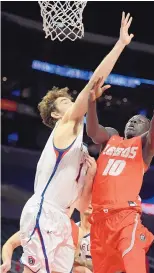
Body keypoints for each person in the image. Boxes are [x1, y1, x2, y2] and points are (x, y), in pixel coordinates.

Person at [18, 11, 134, 273]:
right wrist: (120, 45)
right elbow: (94, 80)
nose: (72, 103)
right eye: (65, 102)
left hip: (63, 218)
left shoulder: (80, 150)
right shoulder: (64, 125)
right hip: (44, 211)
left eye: (72, 100)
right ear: (56, 114)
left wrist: (93, 176)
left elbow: (83, 205)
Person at [86, 51, 154, 273]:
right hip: (98, 222)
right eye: (131, 119)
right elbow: (92, 132)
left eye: (139, 121)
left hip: (125, 218)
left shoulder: (145, 148)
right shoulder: (111, 137)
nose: (133, 121)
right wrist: (91, 103)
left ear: (147, 131)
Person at [1, 204, 93, 273]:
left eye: (68, 207)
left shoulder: (76, 232)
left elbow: (72, 266)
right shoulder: (40, 224)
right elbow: (10, 243)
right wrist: (7, 261)